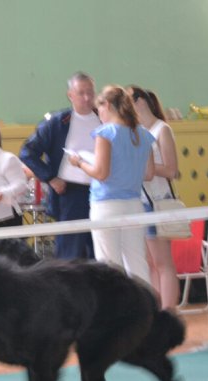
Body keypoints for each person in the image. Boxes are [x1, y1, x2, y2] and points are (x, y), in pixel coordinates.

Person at [69, 85, 154, 284]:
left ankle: (115, 311)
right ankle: (145, 308)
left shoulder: (105, 133)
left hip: (106, 205)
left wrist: (79, 162)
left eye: (99, 110)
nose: (100, 115)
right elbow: (149, 173)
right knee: (137, 262)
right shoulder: (142, 133)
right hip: (134, 204)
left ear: (106, 105)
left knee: (109, 265)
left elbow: (101, 173)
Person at [20, 71, 100, 259]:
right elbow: (28, 152)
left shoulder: (104, 118)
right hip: (70, 195)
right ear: (70, 95)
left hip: (102, 192)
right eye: (81, 93)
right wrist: (50, 178)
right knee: (70, 254)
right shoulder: (57, 122)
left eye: (90, 92)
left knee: (99, 252)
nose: (87, 98)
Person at [129, 86, 181, 310]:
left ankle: (168, 311)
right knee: (149, 262)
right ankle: (155, 309)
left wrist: (144, 167)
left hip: (158, 200)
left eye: (128, 99)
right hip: (139, 200)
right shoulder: (134, 131)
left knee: (163, 263)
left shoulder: (162, 129)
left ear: (140, 101)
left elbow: (171, 170)